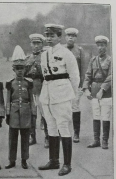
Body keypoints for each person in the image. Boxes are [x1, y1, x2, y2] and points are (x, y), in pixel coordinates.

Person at [38, 24, 80, 176]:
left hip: (62, 94)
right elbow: (45, 76)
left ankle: (67, 164)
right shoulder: (44, 54)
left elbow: (75, 76)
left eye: (52, 35)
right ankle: (53, 161)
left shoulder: (66, 53)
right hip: (48, 94)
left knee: (63, 127)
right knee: (51, 127)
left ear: (59, 37)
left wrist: (72, 96)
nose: (48, 38)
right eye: (47, 35)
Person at [5, 45, 33, 170]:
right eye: (17, 69)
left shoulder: (29, 83)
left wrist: (33, 114)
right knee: (13, 138)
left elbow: (32, 100)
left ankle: (24, 160)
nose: (20, 71)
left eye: (22, 68)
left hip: (26, 113)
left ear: (25, 69)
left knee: (25, 138)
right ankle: (12, 160)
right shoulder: (10, 83)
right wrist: (7, 114)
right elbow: (8, 100)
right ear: (14, 69)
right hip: (14, 113)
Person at [82, 35, 112, 149]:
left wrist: (102, 89)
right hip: (94, 90)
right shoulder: (93, 60)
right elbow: (88, 75)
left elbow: (110, 76)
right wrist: (86, 89)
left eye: (103, 45)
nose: (100, 48)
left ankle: (105, 141)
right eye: (98, 45)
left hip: (106, 92)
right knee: (96, 115)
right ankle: (96, 140)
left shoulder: (110, 60)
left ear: (106, 46)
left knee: (105, 115)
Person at [25, 33, 49, 148]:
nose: (36, 46)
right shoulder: (27, 58)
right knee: (31, 114)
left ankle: (48, 137)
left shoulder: (46, 57)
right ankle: (32, 136)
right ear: (30, 44)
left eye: (38, 43)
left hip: (42, 88)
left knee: (45, 114)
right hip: (30, 89)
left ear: (42, 44)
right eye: (34, 43)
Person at [64, 28, 85, 143]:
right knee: (63, 107)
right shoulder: (61, 49)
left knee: (75, 106)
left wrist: (81, 85)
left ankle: (76, 132)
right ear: (65, 37)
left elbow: (83, 68)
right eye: (68, 36)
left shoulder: (80, 51)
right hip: (63, 83)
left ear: (76, 38)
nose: (71, 38)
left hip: (75, 83)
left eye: (73, 36)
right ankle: (64, 132)